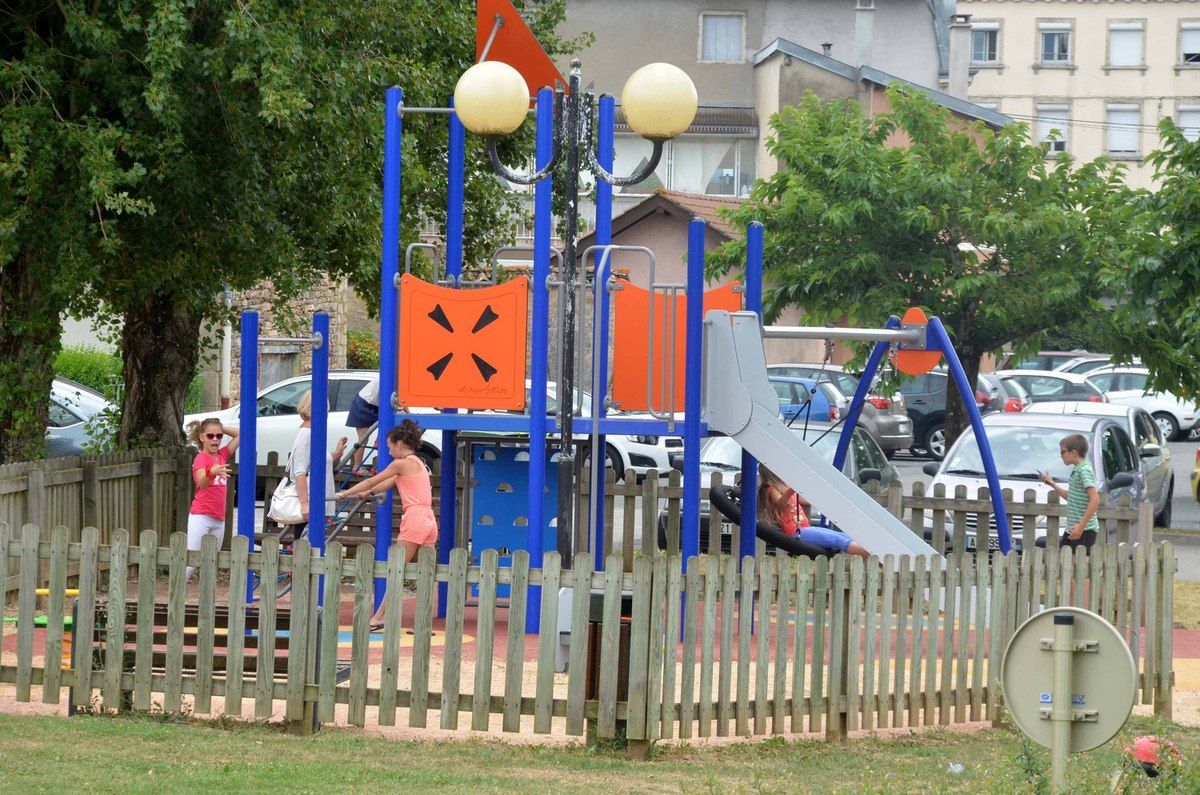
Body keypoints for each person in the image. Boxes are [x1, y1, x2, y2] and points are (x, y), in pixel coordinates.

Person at [335, 419, 437, 629]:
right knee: (426, 573)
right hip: (429, 519)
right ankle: (423, 620)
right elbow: (387, 483)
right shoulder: (418, 463)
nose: (389, 452)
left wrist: (345, 493)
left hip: (415, 519)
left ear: (399, 444)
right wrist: (368, 493)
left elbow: (374, 480)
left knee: (396, 570)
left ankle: (380, 616)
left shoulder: (400, 463)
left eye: (390, 447)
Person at [757, 464, 869, 558]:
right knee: (837, 540)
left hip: (805, 528)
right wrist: (789, 492)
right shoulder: (770, 489)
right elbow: (781, 504)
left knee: (843, 536)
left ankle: (872, 554)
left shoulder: (784, 487)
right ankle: (875, 556)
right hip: (795, 532)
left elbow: (806, 500)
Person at [288, 390, 348, 540]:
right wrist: (304, 504)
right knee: (307, 545)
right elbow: (299, 471)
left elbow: (314, 462)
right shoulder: (307, 434)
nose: (328, 412)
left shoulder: (314, 432)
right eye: (326, 408)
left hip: (318, 501)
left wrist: (335, 454)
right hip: (311, 501)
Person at [185, 418, 240, 579]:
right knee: (191, 562)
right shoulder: (201, 458)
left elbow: (239, 435)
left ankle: (207, 601)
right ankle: (173, 600)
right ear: (202, 437)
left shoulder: (222, 455)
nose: (215, 439)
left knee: (211, 562)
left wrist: (221, 427)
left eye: (219, 436)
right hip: (201, 515)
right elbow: (201, 483)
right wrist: (212, 472)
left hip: (219, 518)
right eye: (210, 436)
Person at [1039, 433, 1101, 551]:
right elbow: (1072, 497)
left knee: (1076, 566)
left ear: (1073, 452)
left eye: (1062, 452)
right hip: (1072, 528)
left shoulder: (1084, 471)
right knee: (1066, 564)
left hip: (1085, 530)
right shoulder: (1077, 470)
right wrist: (1052, 484)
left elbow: (1095, 499)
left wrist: (1081, 527)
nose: (1061, 456)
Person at [346, 374, 380, 474]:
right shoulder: (389, 377)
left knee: (386, 434)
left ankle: (378, 465)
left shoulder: (395, 377)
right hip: (363, 404)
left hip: (375, 405)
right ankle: (357, 467)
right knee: (363, 438)